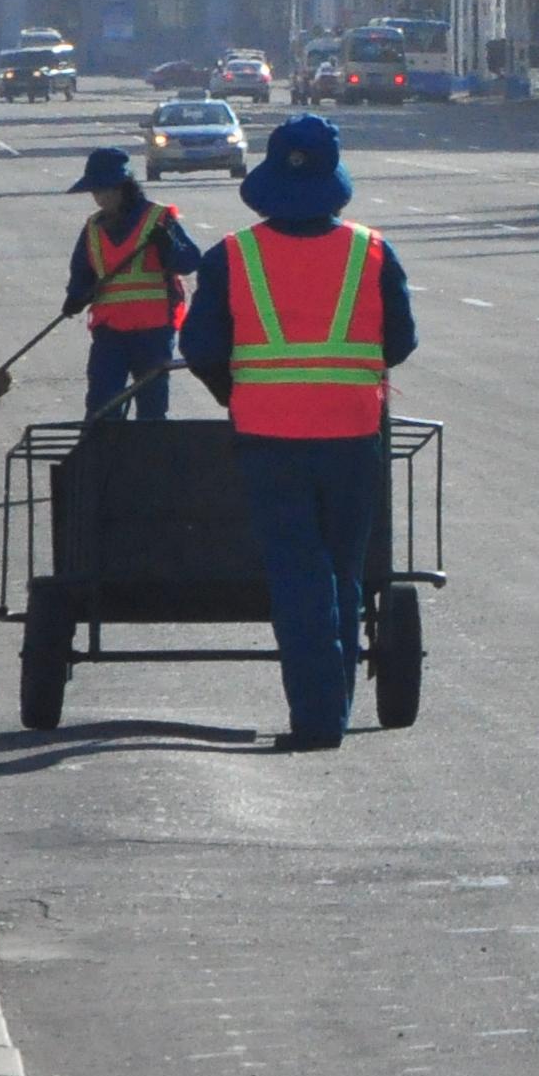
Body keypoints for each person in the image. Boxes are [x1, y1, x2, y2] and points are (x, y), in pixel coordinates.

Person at [181, 114, 419, 752]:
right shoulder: (371, 250)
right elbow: (401, 341)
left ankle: (317, 721)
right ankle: (329, 712)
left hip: (268, 437)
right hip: (352, 435)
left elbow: (200, 345)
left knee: (296, 574)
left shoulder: (233, 255)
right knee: (341, 571)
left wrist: (240, 393)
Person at [61, 147, 202, 423]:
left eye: (106, 190)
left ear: (124, 187)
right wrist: (75, 297)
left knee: (152, 407)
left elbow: (189, 261)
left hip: (153, 332)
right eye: (96, 191)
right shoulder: (92, 228)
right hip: (109, 332)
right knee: (102, 405)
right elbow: (83, 271)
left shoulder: (158, 220)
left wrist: (168, 246)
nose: (100, 198)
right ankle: (106, 461)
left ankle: (148, 461)